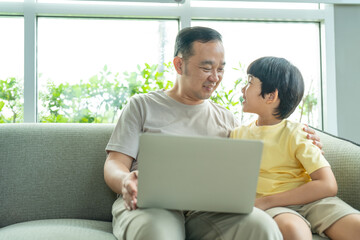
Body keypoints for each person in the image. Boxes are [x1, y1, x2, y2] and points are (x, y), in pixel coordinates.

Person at [104, 27, 321, 240]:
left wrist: (303, 138)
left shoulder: (228, 120)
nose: (215, 77)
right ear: (179, 65)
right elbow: (114, 163)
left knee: (262, 226)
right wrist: (125, 180)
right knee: (159, 233)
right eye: (207, 68)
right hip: (150, 205)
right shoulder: (142, 106)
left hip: (207, 212)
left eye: (221, 69)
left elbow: (266, 157)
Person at [230, 56, 360, 240]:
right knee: (294, 231)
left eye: (250, 82)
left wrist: (265, 201)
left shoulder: (298, 133)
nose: (243, 89)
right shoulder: (237, 135)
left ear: (271, 96)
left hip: (314, 202)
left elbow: (328, 184)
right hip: (277, 209)